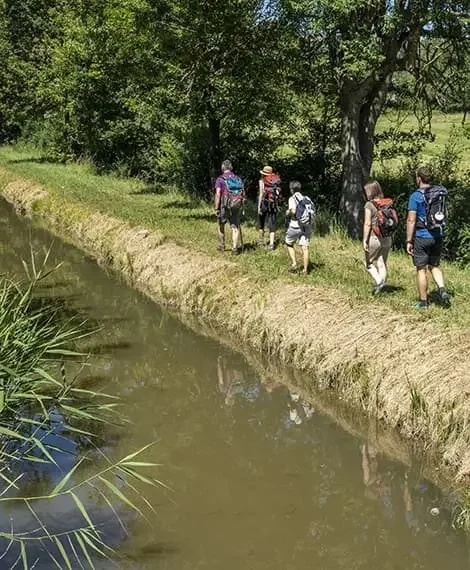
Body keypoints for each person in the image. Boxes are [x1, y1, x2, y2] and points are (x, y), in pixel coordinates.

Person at [406, 166, 450, 309]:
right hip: (438, 234)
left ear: (419, 178)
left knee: (421, 269)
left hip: (422, 236)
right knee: (434, 265)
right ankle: (442, 289)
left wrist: (408, 240)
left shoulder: (415, 196)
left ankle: (424, 302)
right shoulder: (438, 194)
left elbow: (411, 220)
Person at [362, 181, 393, 295]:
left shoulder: (369, 205)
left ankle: (379, 282)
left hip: (374, 238)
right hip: (387, 237)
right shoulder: (387, 203)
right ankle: (381, 289)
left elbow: (367, 224)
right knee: (382, 262)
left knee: (368, 263)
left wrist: (365, 240)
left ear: (370, 192)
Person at [214, 160, 245, 255]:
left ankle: (222, 245)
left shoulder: (220, 179)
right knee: (235, 226)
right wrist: (242, 206)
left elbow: (218, 194)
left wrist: (216, 208)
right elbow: (243, 193)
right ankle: (234, 249)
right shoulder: (238, 179)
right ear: (231, 168)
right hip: (236, 204)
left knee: (221, 224)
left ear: (223, 167)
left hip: (225, 205)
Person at [285, 181, 315, 274]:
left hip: (295, 225)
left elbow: (293, 211)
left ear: (291, 189)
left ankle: (294, 264)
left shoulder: (292, 198)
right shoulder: (306, 198)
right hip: (307, 225)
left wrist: (288, 212)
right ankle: (305, 270)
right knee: (305, 247)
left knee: (288, 242)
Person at [257, 165, 282, 251]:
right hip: (273, 204)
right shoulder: (276, 180)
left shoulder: (262, 181)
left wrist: (259, 207)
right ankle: (271, 244)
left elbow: (261, 193)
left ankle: (260, 241)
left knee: (261, 222)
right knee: (272, 223)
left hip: (264, 203)